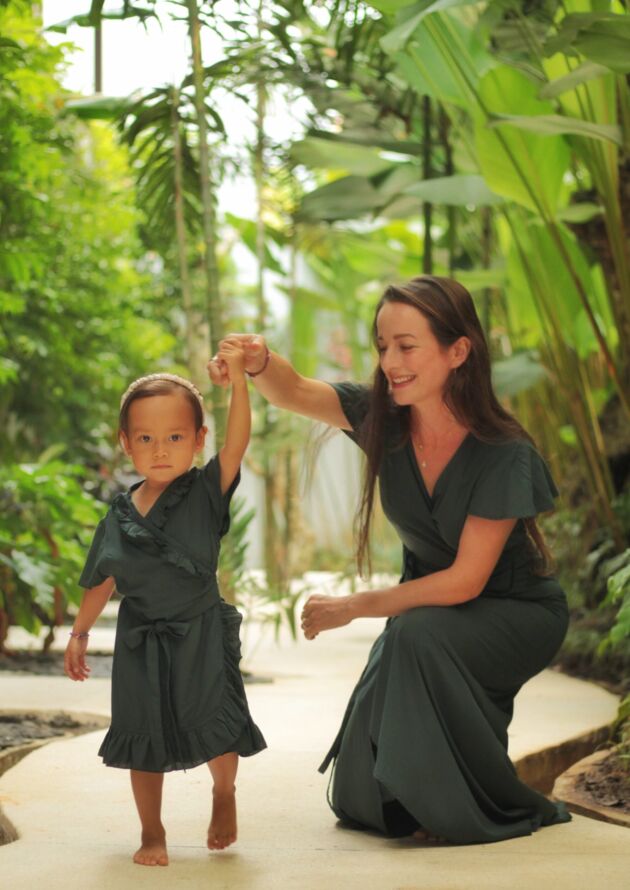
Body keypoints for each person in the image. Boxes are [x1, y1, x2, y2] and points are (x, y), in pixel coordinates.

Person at [208, 275, 571, 845]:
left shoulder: (504, 452)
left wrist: (354, 606)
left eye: (407, 346)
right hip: (432, 616)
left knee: (414, 637)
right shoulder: (383, 417)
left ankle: (466, 806)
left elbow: (466, 581)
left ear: (458, 351)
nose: (390, 362)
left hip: (515, 611)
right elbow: (295, 391)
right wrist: (257, 360)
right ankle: (424, 796)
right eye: (382, 346)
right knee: (363, 794)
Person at [64, 343, 266, 867]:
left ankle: (224, 792)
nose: (161, 449)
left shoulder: (205, 492)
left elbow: (238, 442)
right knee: (141, 735)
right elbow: (101, 581)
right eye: (147, 439)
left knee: (216, 722)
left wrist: (239, 382)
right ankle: (152, 831)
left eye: (176, 437)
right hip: (139, 638)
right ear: (125, 444)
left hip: (200, 628)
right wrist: (79, 633)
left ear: (199, 440)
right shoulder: (117, 515)